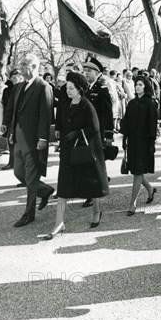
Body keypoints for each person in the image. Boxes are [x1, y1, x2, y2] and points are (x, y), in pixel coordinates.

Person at [44, 71, 109, 239]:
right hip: (68, 150)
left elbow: (94, 128)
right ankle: (59, 223)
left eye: (72, 88)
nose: (68, 91)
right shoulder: (66, 104)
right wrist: (60, 132)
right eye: (67, 88)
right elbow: (60, 120)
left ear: (80, 89)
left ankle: (97, 212)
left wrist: (77, 133)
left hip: (85, 151)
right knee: (64, 186)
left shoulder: (87, 105)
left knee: (91, 185)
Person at [3, 54, 54, 227]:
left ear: (33, 67)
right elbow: (11, 108)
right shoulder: (19, 86)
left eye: (24, 64)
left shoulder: (43, 87)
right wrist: (6, 125)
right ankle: (45, 190)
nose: (20, 67)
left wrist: (43, 138)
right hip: (17, 137)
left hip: (33, 140)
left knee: (31, 177)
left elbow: (45, 115)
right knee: (19, 172)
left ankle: (28, 213)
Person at [120, 76, 158, 215]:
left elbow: (153, 125)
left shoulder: (151, 103)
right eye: (136, 84)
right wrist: (124, 139)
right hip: (133, 141)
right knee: (136, 170)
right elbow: (126, 122)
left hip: (144, 141)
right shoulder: (132, 103)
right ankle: (150, 189)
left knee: (137, 172)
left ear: (146, 86)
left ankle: (132, 204)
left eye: (140, 84)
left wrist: (152, 143)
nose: (137, 87)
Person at [82, 57, 114, 207]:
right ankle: (97, 185)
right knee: (89, 162)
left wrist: (108, 134)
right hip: (86, 133)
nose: (86, 73)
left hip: (98, 132)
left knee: (94, 162)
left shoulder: (102, 90)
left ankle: (93, 192)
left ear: (97, 73)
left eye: (89, 71)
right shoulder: (85, 89)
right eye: (85, 71)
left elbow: (108, 113)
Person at [2, 69, 23, 170]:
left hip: (21, 119)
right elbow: (8, 106)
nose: (14, 79)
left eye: (16, 77)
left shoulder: (23, 87)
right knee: (11, 141)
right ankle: (11, 162)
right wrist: (5, 122)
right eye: (12, 78)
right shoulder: (8, 90)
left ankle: (18, 163)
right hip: (11, 118)